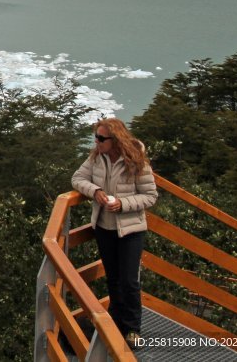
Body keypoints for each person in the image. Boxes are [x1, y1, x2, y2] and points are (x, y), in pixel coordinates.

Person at [71, 117, 157, 350]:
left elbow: (150, 196)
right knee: (113, 278)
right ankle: (116, 324)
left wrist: (122, 204)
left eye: (101, 138)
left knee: (129, 280)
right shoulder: (96, 157)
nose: (97, 142)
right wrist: (95, 190)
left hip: (130, 229)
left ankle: (132, 329)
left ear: (116, 139)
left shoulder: (136, 160)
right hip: (104, 228)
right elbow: (77, 178)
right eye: (96, 137)